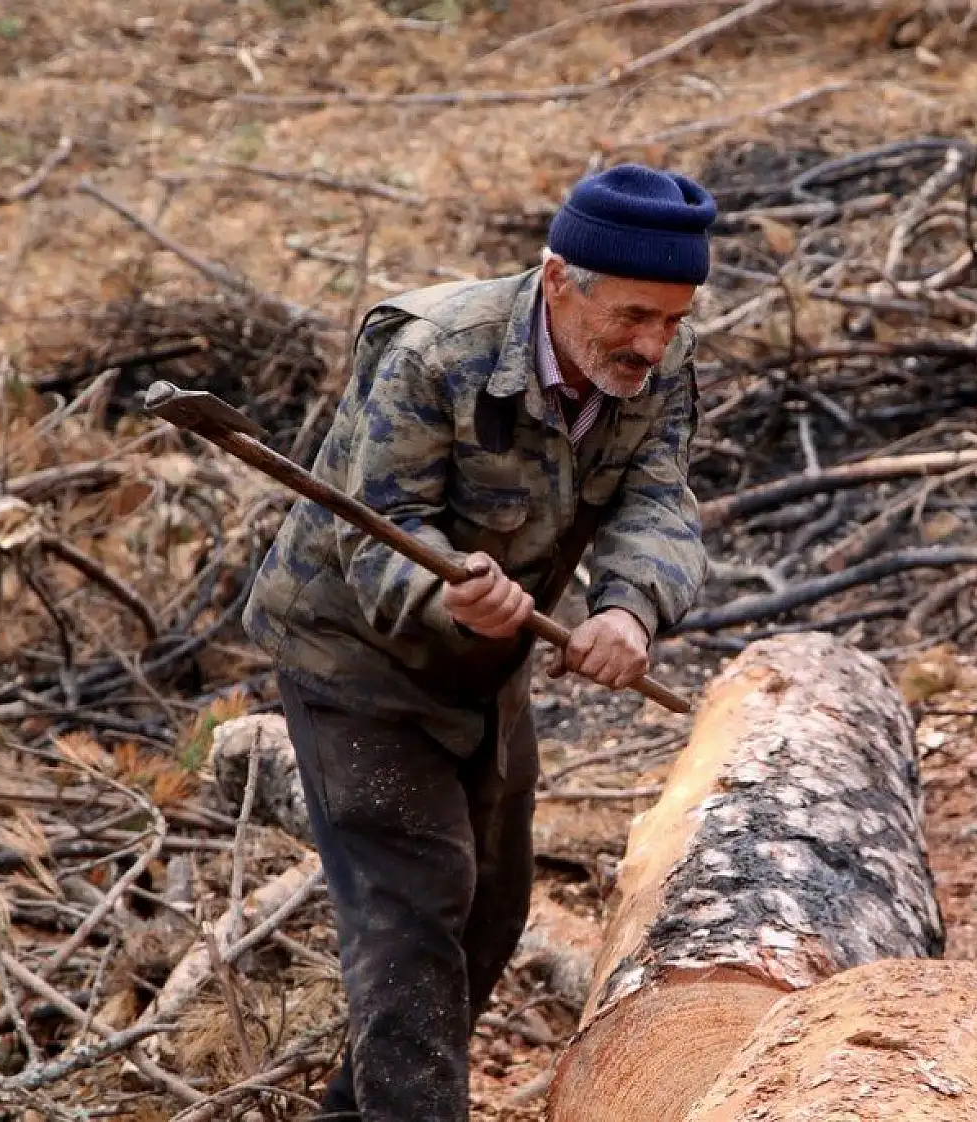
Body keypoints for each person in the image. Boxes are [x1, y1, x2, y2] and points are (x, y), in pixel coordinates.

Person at [242, 163, 715, 1121]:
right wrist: (444, 591)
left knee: (493, 915)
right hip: (355, 662)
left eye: (673, 319)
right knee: (418, 915)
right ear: (555, 279)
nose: (654, 344)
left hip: (487, 666)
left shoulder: (657, 366)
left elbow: (657, 499)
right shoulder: (435, 353)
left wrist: (628, 609)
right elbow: (378, 524)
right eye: (632, 316)